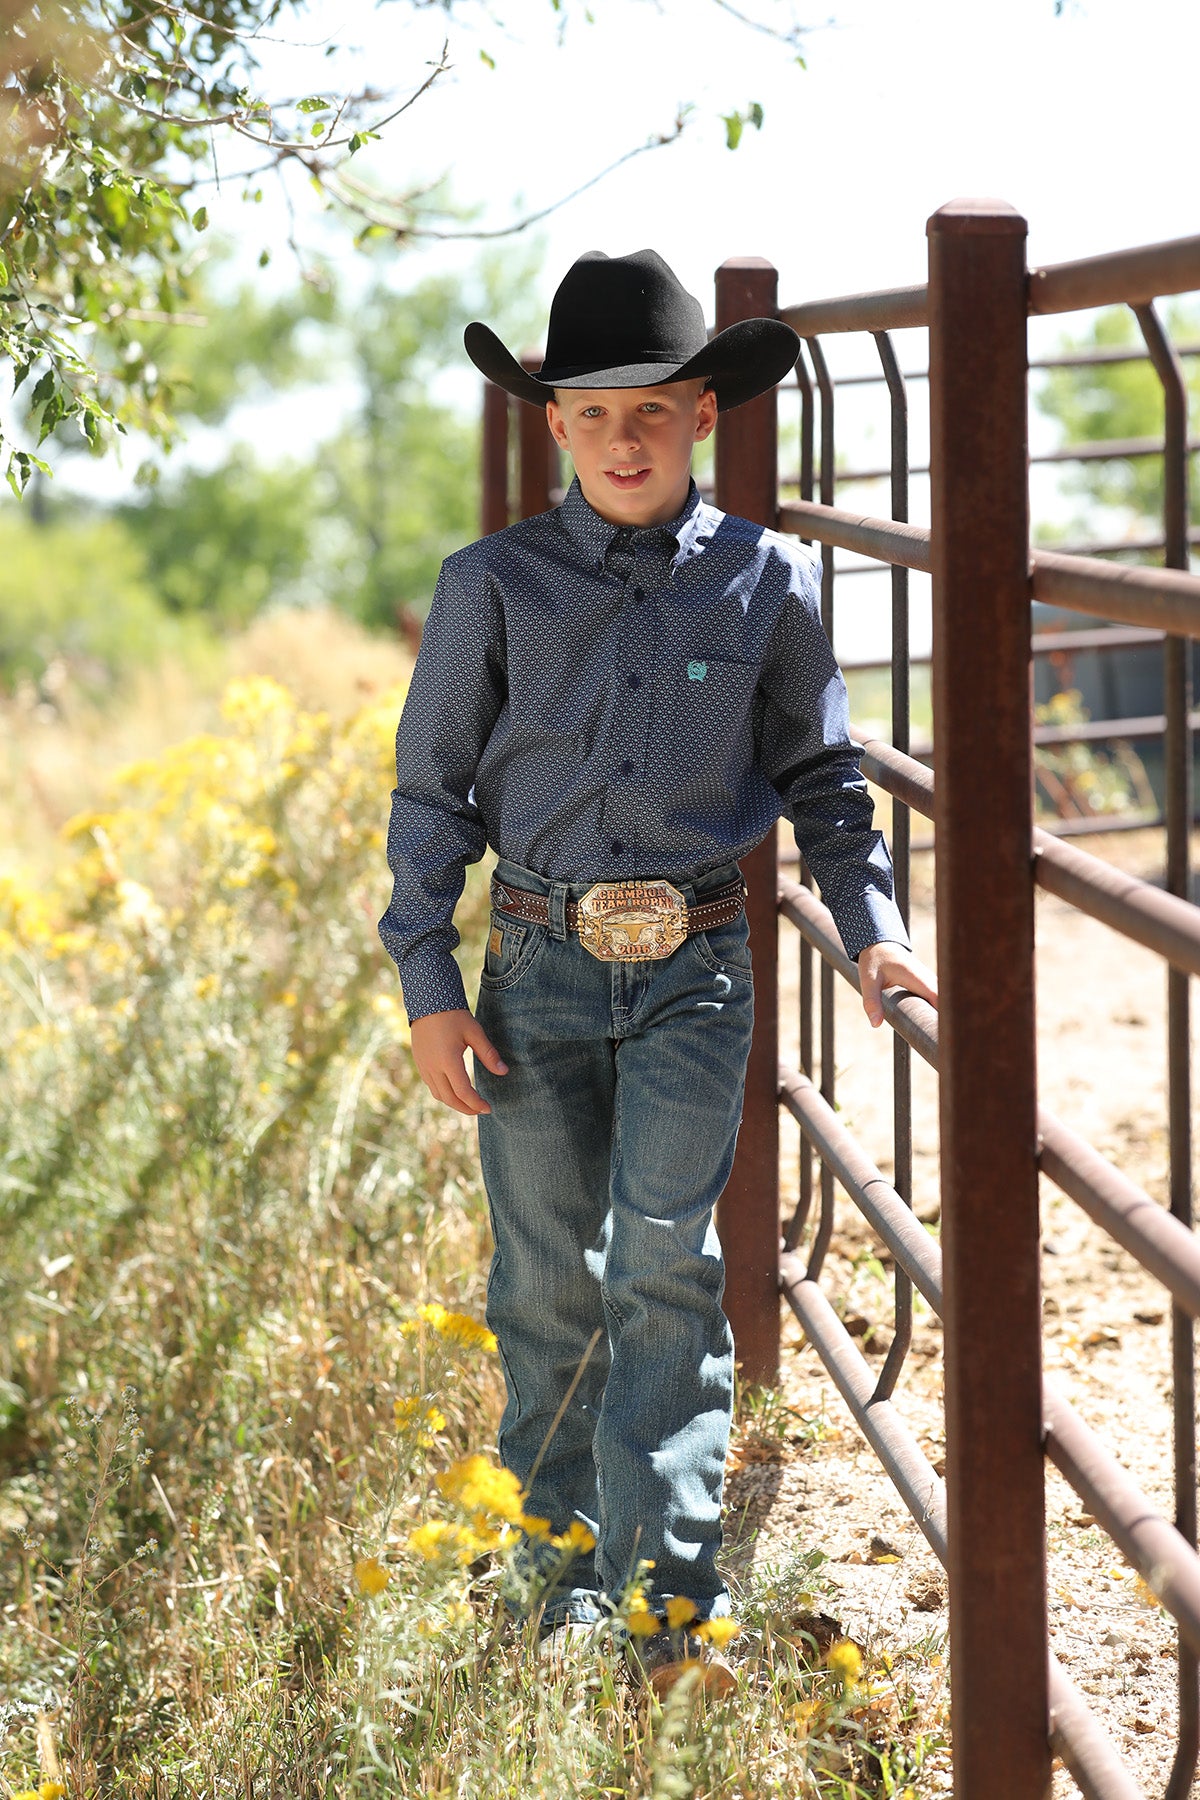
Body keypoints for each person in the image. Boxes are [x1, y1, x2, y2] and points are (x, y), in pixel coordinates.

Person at [378, 248, 937, 1688]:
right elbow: (433, 795)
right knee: (546, 1279)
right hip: (535, 968)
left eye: (653, 411)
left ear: (702, 415)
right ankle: (556, 1586)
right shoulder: (489, 585)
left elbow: (822, 775)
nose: (623, 440)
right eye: (593, 413)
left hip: (695, 965)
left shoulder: (769, 581)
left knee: (666, 1271)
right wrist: (429, 988)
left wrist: (872, 929)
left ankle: (668, 1611)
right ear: (554, 423)